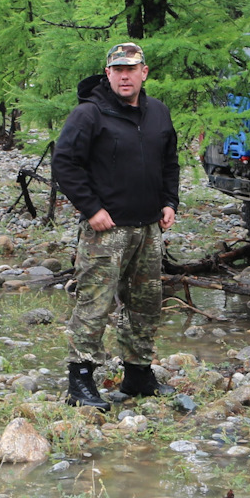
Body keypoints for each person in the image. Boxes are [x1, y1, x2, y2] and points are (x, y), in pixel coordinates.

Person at [52, 41, 180, 408]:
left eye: (131, 69)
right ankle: (80, 380)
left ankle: (138, 374)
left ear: (144, 72)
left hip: (148, 228)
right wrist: (91, 209)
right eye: (118, 70)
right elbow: (65, 163)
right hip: (105, 231)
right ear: (108, 74)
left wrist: (169, 201)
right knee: (95, 304)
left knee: (146, 303)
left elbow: (169, 162)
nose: (125, 76)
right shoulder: (89, 114)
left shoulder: (158, 113)